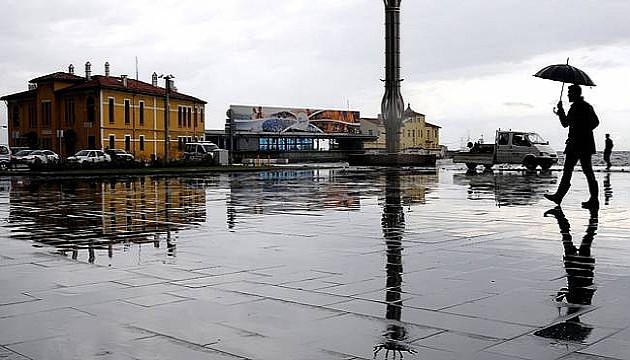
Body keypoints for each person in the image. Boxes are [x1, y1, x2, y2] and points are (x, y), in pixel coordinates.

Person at [544, 84, 599, 209]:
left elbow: (567, 123)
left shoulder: (579, 107)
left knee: (572, 171)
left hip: (577, 144)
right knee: (582, 171)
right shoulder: (582, 106)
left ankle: (560, 196)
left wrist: (561, 112)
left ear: (575, 93)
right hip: (582, 144)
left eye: (569, 93)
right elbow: (594, 122)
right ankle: (593, 199)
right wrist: (561, 112)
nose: (568, 95)